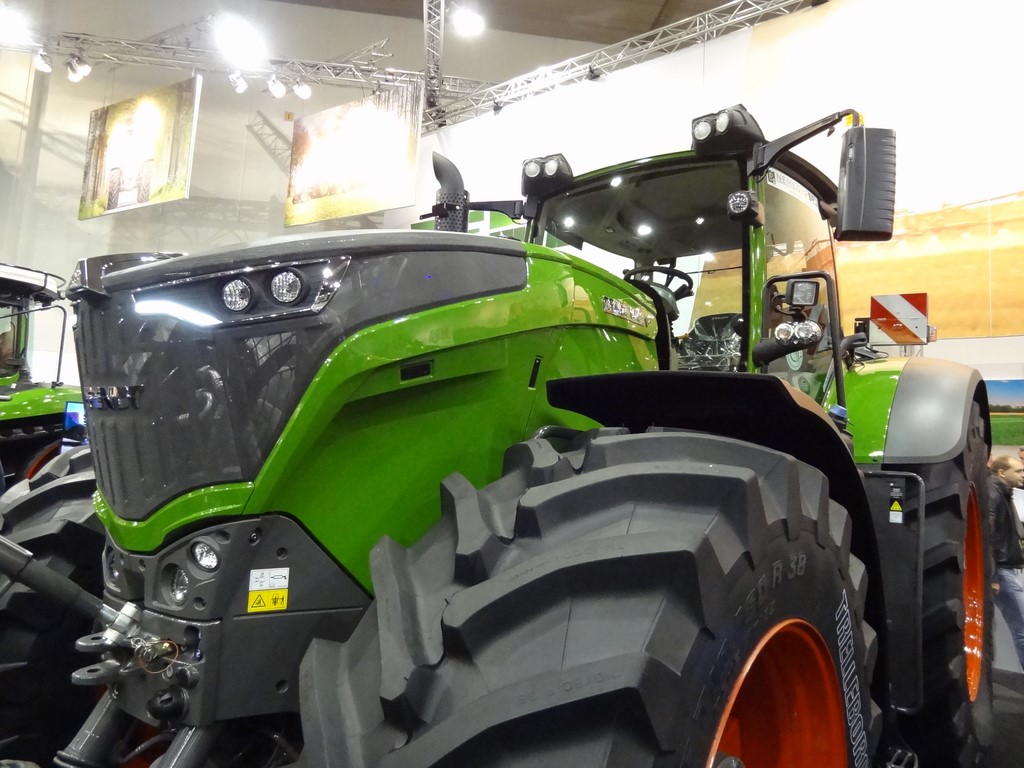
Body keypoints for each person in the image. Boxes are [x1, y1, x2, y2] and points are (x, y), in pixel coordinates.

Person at [989, 455, 1024, 671]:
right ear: (1002, 472)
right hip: (1001, 572)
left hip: (1004, 570)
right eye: (1018, 471)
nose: (1023, 474)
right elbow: (988, 536)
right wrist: (993, 577)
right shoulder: (995, 493)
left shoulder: (1004, 491)